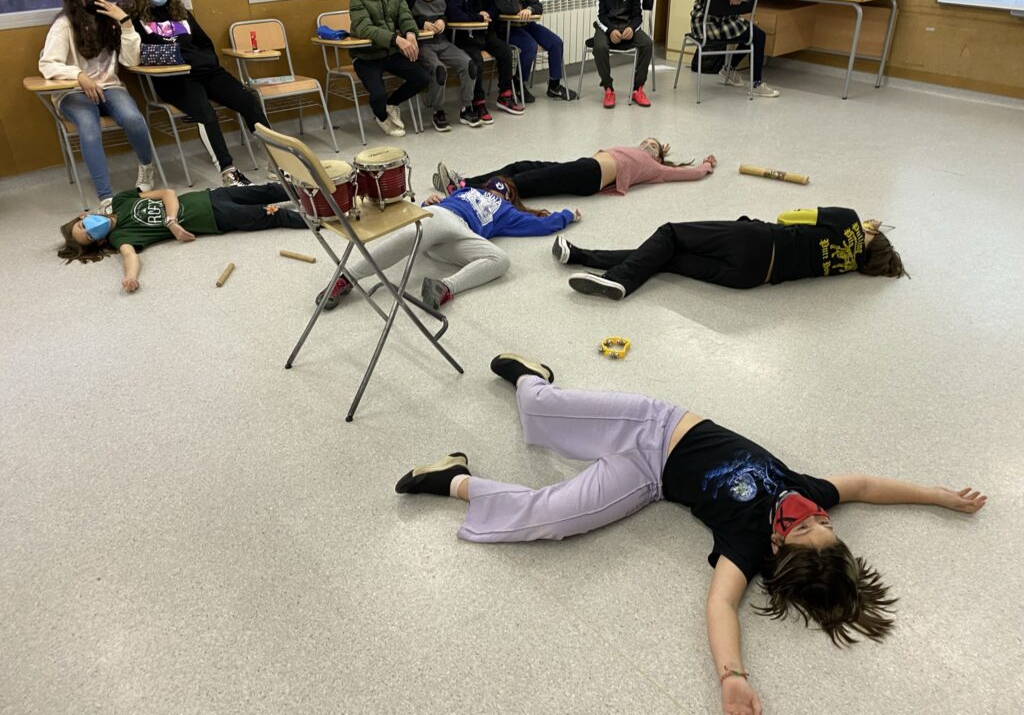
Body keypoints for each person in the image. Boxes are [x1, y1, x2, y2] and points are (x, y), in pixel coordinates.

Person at [396, 353, 988, 715]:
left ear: (778, 548)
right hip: (654, 424)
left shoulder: (749, 542)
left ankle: (456, 480)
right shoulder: (808, 490)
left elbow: (721, 604)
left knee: (550, 520)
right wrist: (938, 496)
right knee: (539, 416)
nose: (810, 514)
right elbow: (865, 484)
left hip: (648, 479)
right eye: (822, 522)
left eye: (803, 527)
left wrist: (732, 678)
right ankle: (532, 377)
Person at [314, 177, 580, 311]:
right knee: (410, 236)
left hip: (457, 237)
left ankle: (444, 287)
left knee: (501, 260)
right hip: (443, 218)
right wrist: (428, 202)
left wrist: (568, 215)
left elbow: (542, 225)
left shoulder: (508, 212)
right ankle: (346, 277)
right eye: (493, 188)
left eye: (503, 192)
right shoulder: (467, 191)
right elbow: (433, 207)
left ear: (510, 198)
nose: (496, 194)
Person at [121, 0, 270, 186]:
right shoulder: (133, 20)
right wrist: (184, 59)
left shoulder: (179, 10)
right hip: (174, 79)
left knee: (248, 100)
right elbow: (138, 56)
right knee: (205, 113)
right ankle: (228, 172)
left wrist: (203, 61)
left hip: (206, 71)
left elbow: (204, 44)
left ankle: (278, 160)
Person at [556, 208, 907, 301]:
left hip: (755, 241)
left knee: (670, 233)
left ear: (872, 235)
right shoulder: (850, 266)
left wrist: (862, 223)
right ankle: (582, 256)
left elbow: (788, 217)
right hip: (749, 278)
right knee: (667, 256)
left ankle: (620, 280)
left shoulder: (848, 220)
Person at [39, 0, 156, 209]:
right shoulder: (64, 25)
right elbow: (47, 64)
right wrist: (78, 75)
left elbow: (130, 60)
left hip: (109, 86)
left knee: (134, 119)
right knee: (89, 128)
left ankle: (147, 168)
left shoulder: (109, 19)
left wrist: (125, 22)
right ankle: (106, 197)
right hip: (73, 91)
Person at [57, 183, 304, 293]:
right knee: (273, 214)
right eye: (89, 235)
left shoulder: (122, 200)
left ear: (83, 216)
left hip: (210, 196)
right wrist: (130, 277)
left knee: (270, 190)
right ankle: (323, 219)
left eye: (83, 224)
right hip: (215, 218)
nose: (91, 228)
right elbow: (129, 256)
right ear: (99, 242)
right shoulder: (120, 236)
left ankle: (317, 189)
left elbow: (167, 193)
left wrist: (171, 221)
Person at [432, 138, 716, 200]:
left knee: (526, 181)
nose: (647, 145)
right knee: (521, 166)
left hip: (590, 176)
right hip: (583, 166)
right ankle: (464, 182)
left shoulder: (654, 167)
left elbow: (686, 174)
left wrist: (705, 165)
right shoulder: (629, 150)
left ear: (659, 157)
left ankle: (465, 195)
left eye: (653, 146)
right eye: (646, 141)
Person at [348, 0, 431, 138]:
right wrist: (396, 39)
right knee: (378, 94)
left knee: (422, 78)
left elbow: (405, 16)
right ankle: (382, 116)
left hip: (390, 53)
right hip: (366, 56)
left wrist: (411, 33)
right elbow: (364, 28)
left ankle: (392, 104)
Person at [404, 0, 481, 132]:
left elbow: (449, 14)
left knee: (469, 64)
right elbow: (403, 21)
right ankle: (438, 112)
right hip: (423, 46)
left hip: (443, 43)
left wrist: (442, 21)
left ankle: (466, 108)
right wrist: (421, 23)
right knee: (439, 70)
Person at [690, 0, 779, 98]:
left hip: (724, 22)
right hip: (706, 25)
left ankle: (729, 69)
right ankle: (756, 84)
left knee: (754, 33)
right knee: (756, 36)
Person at [490, 0, 577, 103]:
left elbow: (537, 5)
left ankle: (554, 86)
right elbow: (511, 9)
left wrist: (530, 9)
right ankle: (518, 83)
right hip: (508, 30)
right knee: (530, 46)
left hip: (528, 25)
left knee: (556, 43)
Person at [448, 0, 523, 121]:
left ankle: (505, 95)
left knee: (505, 51)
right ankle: (478, 102)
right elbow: (455, 14)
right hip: (466, 40)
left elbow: (492, 5)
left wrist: (488, 13)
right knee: (477, 61)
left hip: (484, 36)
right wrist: (478, 17)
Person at [593, 0, 654, 108]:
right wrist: (610, 30)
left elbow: (638, 16)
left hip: (628, 27)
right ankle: (608, 88)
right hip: (607, 27)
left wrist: (632, 28)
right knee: (599, 47)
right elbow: (600, 15)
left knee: (647, 43)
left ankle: (637, 89)